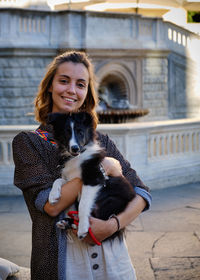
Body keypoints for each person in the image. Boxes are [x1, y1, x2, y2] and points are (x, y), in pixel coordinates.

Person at [12, 51, 152, 280]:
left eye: (80, 84)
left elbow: (142, 193)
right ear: (50, 85)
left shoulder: (101, 140)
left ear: (86, 92)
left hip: (114, 263)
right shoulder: (29, 142)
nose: (71, 90)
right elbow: (51, 206)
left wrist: (111, 226)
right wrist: (101, 167)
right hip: (64, 267)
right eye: (64, 81)